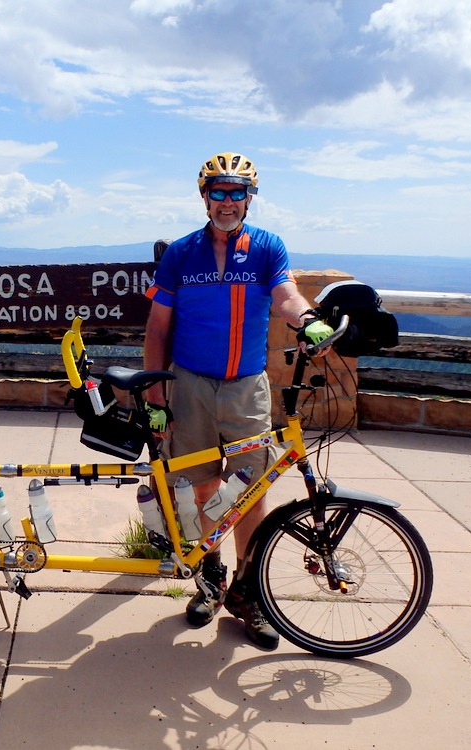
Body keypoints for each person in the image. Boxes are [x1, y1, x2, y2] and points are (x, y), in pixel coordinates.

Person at [143, 153, 331, 649]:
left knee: (250, 487)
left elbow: (286, 294)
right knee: (202, 485)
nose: (227, 202)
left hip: (246, 385)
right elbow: (158, 326)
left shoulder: (267, 246)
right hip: (190, 383)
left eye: (237, 192)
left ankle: (249, 593)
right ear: (204, 196)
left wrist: (308, 318)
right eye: (218, 192)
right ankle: (212, 578)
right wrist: (157, 389)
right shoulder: (182, 253)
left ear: (250, 197)